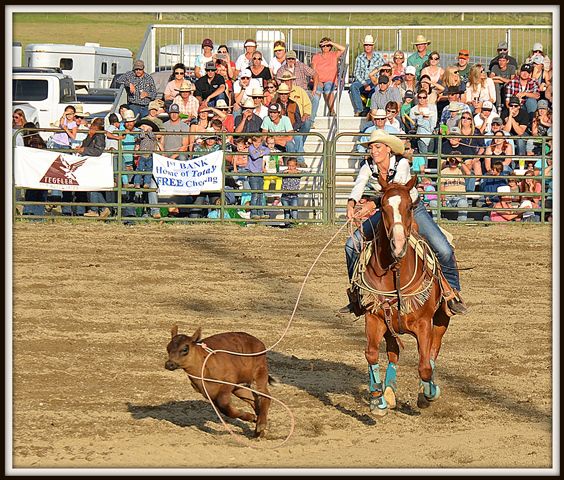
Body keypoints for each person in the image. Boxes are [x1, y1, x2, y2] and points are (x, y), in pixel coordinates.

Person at [341, 129, 467, 315]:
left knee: (444, 249)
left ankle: (452, 292)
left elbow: (397, 189)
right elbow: (360, 183)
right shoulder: (368, 166)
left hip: (412, 210)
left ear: (388, 149)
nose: (373, 151)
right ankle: (357, 294)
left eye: (377, 147)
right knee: (351, 245)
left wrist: (372, 204)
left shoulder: (402, 164)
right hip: (388, 212)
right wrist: (351, 203)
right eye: (371, 148)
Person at [74, 118, 111, 218]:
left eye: (94, 125)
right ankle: (103, 208)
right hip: (91, 164)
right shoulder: (93, 135)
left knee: (92, 185)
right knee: (93, 186)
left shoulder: (99, 136)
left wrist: (84, 149)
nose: (91, 126)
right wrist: (83, 147)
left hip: (95, 164)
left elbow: (98, 151)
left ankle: (95, 209)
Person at [349, 34, 385, 117]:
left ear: (373, 46)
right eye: (366, 45)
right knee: (353, 86)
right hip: (362, 81)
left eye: (370, 45)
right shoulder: (359, 58)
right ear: (364, 46)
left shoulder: (379, 57)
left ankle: (370, 109)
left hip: (374, 81)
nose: (368, 47)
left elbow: (384, 68)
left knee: (375, 89)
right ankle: (359, 109)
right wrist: (364, 83)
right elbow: (356, 73)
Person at [311, 37, 346, 116]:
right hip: (318, 80)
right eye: (323, 46)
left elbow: (343, 49)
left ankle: (332, 110)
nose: (325, 47)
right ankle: (312, 115)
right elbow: (313, 71)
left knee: (328, 88)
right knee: (317, 93)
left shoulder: (334, 55)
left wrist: (331, 42)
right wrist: (316, 82)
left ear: (330, 47)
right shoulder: (316, 57)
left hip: (330, 80)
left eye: (327, 45)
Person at [21, 122, 48, 218]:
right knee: (39, 193)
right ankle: (38, 214)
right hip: (41, 170)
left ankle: (29, 212)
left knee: (32, 192)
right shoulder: (40, 140)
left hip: (34, 169)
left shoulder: (32, 141)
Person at [439, 151, 470, 222]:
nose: (453, 162)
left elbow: (468, 173)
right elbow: (441, 186)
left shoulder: (461, 170)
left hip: (459, 196)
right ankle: (437, 222)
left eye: (456, 161)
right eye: (452, 160)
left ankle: (461, 223)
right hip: (447, 197)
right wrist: (443, 198)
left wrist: (461, 161)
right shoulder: (443, 172)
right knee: (433, 203)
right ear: (448, 160)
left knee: (463, 203)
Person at [247, 135, 270, 220]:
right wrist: (261, 153)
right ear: (252, 141)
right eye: (255, 141)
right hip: (253, 173)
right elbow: (254, 156)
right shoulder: (251, 148)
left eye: (259, 142)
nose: (257, 144)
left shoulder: (262, 147)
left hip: (260, 173)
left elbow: (268, 150)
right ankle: (253, 213)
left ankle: (260, 212)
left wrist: (259, 152)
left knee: (260, 194)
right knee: (255, 194)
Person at [280, 157, 301, 224]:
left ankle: (294, 224)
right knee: (286, 212)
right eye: (289, 165)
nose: (290, 167)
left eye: (292, 166)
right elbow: (278, 173)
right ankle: (287, 225)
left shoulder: (298, 173)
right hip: (285, 196)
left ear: (296, 166)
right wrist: (285, 172)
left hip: (294, 196)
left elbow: (308, 173)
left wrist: (297, 171)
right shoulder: (285, 172)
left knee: (294, 211)